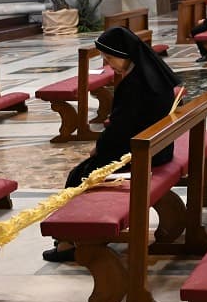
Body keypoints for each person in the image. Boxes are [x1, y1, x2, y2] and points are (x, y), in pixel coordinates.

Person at [43, 26, 182, 262]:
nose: (108, 64)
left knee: (79, 176)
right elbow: (126, 124)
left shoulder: (134, 83)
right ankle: (73, 237)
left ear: (125, 54)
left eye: (109, 58)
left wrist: (99, 148)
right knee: (84, 169)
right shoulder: (153, 73)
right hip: (159, 148)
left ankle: (68, 242)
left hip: (141, 153)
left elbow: (120, 129)